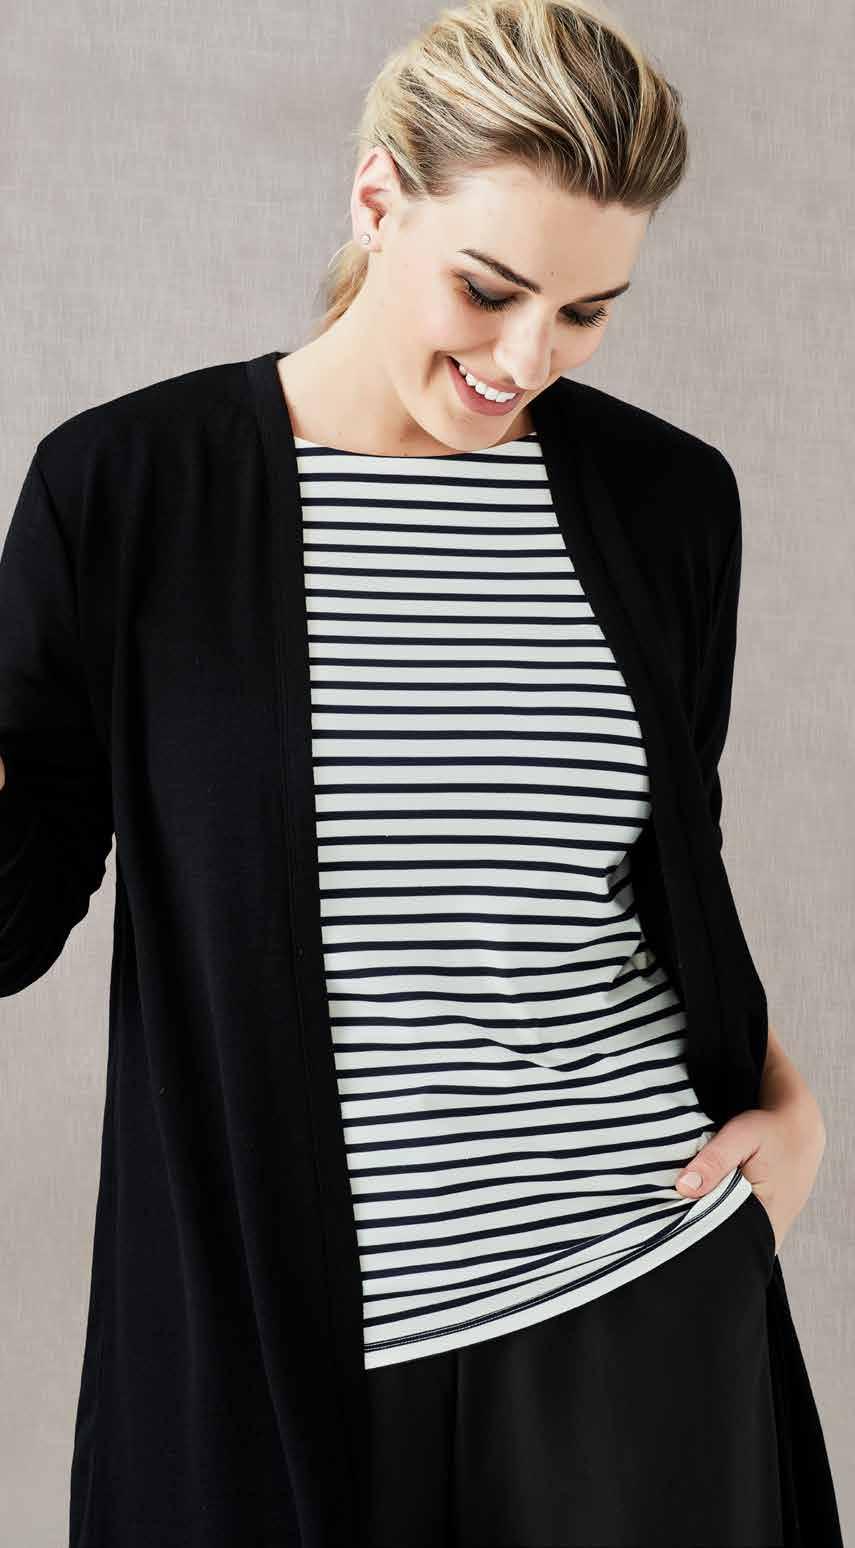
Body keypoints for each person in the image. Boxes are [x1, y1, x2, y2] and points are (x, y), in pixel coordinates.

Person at [0, 1, 842, 1545]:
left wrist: (791, 1114)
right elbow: (13, 906)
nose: (526, 358)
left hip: (641, 1302)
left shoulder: (665, 504)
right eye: (490, 288)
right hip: (283, 1343)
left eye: (586, 312)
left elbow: (659, 887)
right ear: (378, 199)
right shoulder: (129, 491)